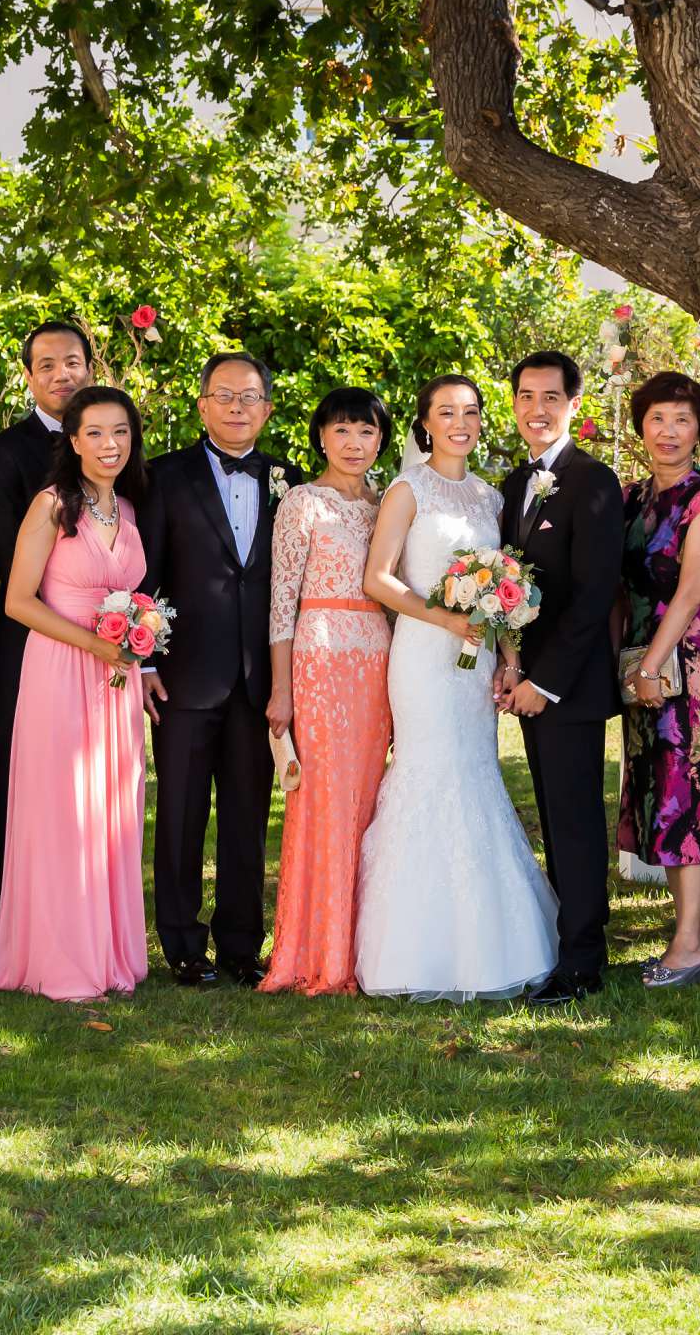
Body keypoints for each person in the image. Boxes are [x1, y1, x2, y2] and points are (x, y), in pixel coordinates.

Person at [354, 376, 559, 1000]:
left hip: (478, 664)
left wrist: (510, 656)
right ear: (425, 423)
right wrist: (447, 618)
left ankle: (494, 941)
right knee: (428, 772)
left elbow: (507, 590)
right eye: (446, 412)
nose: (460, 422)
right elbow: (378, 579)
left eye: (469, 411)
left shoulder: (490, 497)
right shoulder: (406, 489)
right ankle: (412, 948)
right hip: (423, 658)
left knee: (475, 773)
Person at [0, 386, 153, 1002]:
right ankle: (60, 957)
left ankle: (109, 954)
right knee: (65, 813)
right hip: (61, 670)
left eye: (121, 433)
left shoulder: (128, 512)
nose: (111, 445)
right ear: (73, 442)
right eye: (97, 434)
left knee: (111, 810)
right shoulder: (51, 505)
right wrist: (95, 643)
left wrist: (136, 635)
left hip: (116, 680)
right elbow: (18, 601)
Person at [140, 353, 288, 988]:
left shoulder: (289, 480)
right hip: (184, 672)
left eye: (248, 397)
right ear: (201, 405)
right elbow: (142, 572)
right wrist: (143, 657)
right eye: (223, 396)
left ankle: (239, 946)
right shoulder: (162, 477)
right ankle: (180, 947)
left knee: (248, 818)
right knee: (178, 813)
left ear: (267, 408)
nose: (235, 407)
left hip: (259, 679)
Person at [497, 351, 626, 1006]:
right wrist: (512, 662)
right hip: (530, 682)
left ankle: (582, 964)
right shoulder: (517, 481)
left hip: (567, 689)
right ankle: (564, 941)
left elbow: (594, 592)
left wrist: (543, 682)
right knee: (552, 816)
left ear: (575, 405)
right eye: (526, 396)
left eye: (551, 397)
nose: (537, 409)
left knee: (574, 825)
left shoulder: (593, 480)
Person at [260, 388, 394, 996]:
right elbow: (280, 601)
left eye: (365, 432)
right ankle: (315, 949)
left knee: (368, 804)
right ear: (321, 438)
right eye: (342, 431)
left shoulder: (388, 504)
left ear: (380, 441)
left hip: (378, 660)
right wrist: (281, 689)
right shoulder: (302, 503)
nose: (353, 443)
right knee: (322, 803)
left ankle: (367, 945)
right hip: (317, 659)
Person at [616, 371, 700, 987]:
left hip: (689, 666)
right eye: (658, 419)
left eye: (682, 421)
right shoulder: (634, 497)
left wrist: (648, 665)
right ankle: (690, 931)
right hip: (644, 661)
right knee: (656, 794)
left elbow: (692, 593)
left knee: (686, 795)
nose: (668, 432)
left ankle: (690, 945)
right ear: (641, 425)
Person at [0, 321, 91, 961]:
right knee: (18, 777)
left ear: (89, 367)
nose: (61, 374)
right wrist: (71, 618)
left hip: (104, 642)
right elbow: (2, 545)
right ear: (29, 377)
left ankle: (79, 920)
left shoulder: (111, 438)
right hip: (29, 636)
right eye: (47, 365)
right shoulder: (6, 450)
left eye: (71, 361)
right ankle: (6, 933)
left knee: (89, 782)